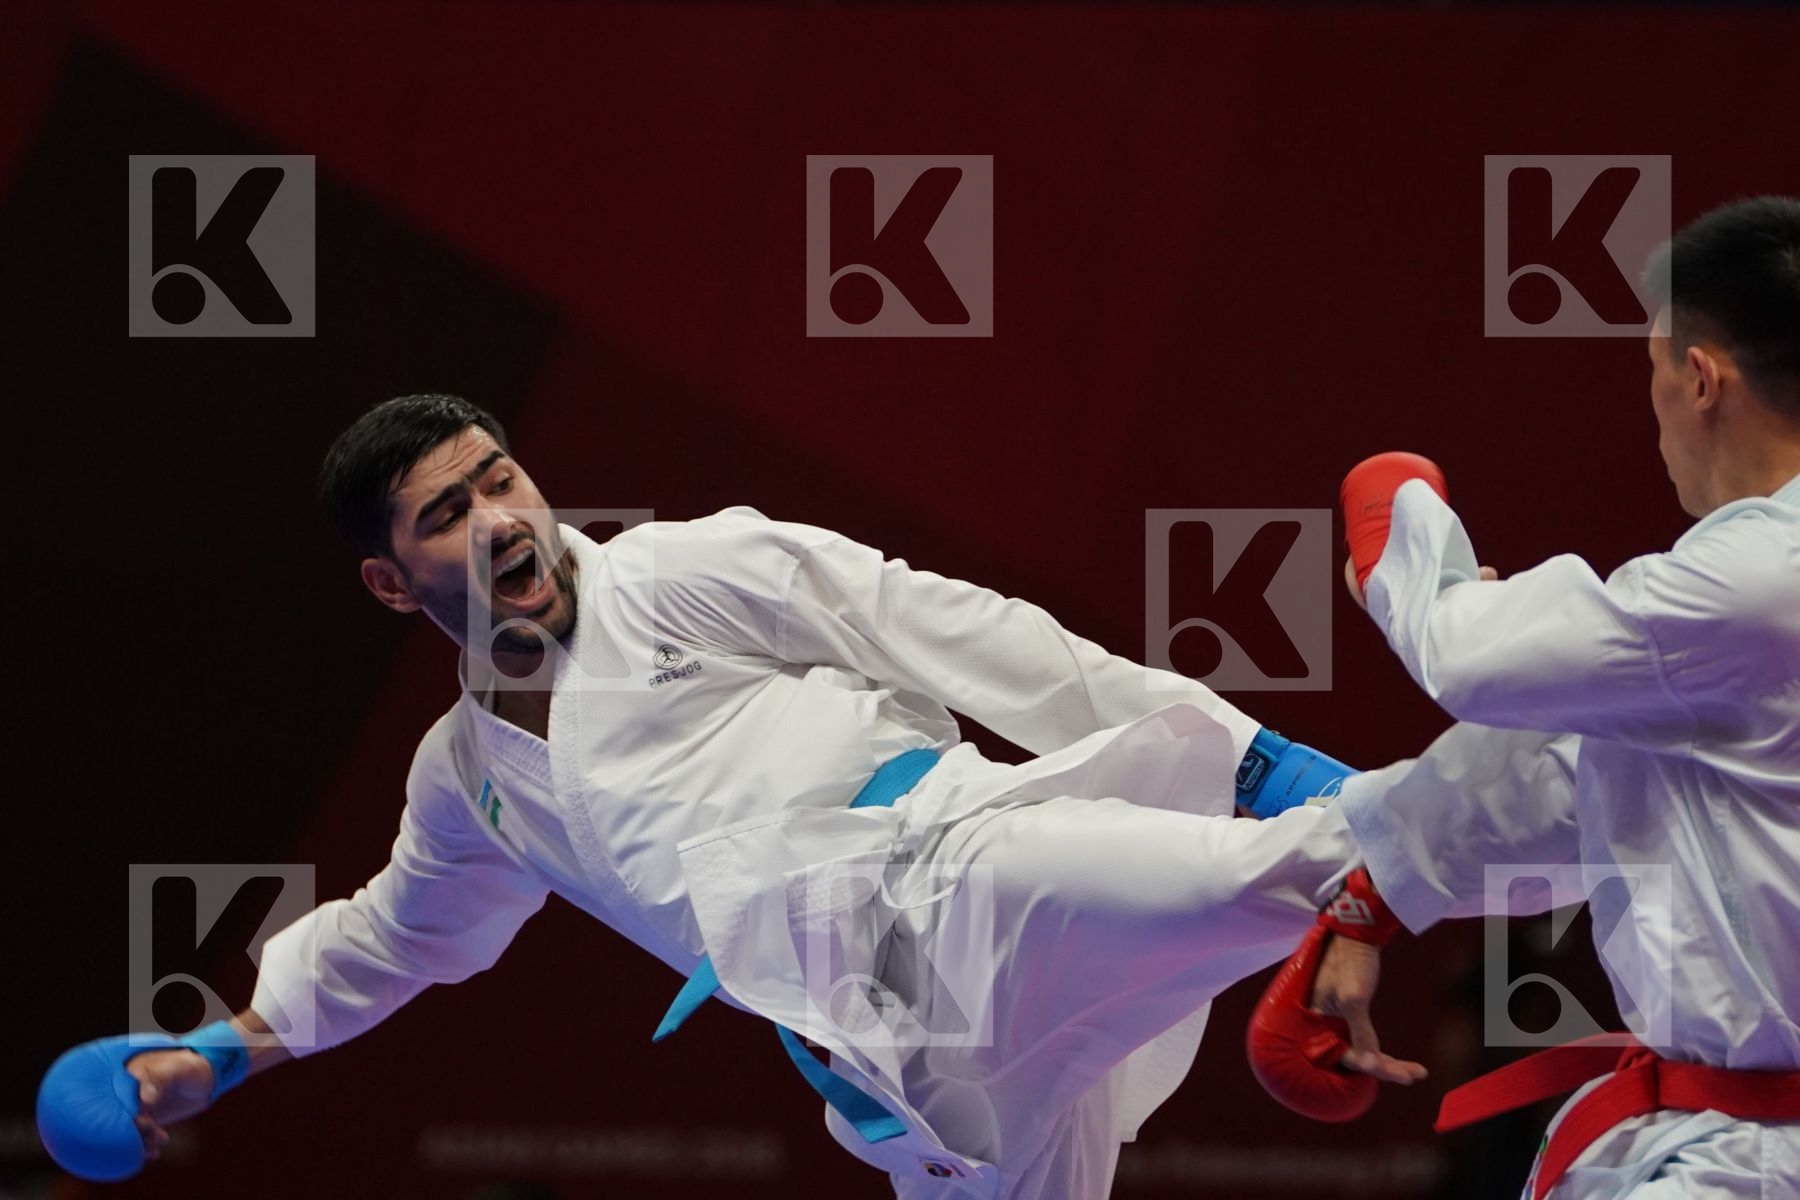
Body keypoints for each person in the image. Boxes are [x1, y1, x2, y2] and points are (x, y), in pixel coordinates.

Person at [38, 392, 1393, 1200]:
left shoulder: (688, 568)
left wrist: (1262, 763)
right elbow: (395, 939)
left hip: (958, 864)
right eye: (448, 513)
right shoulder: (467, 782)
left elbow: (962, 632)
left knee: (1288, 859)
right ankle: (1377, 866)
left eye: (500, 478)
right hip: (890, 1071)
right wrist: (216, 1053)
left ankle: (1497, 789)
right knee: (1288, 877)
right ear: (393, 584)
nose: (502, 517)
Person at [1264, 196, 1800, 1196]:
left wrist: (1397, 538)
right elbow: (1594, 765)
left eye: (1651, 377)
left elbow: (1472, 658)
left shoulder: (1759, 577)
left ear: (1699, 379)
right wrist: (1375, 898)